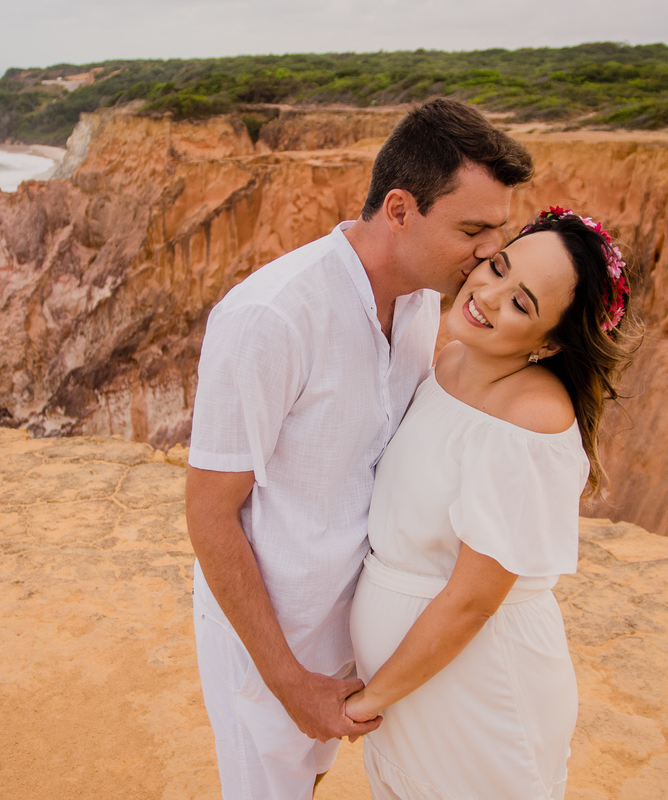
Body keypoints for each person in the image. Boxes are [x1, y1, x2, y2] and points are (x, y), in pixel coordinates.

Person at [184, 98, 534, 799]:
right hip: (273, 643)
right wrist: (287, 681)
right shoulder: (271, 317)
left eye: (499, 231)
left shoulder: (418, 302)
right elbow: (209, 514)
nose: (490, 254)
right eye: (472, 229)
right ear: (400, 209)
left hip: (361, 633)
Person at [343, 206, 637, 800]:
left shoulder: (529, 419)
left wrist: (370, 699)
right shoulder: (451, 361)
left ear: (553, 342)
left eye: (521, 303)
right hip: (413, 685)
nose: (488, 294)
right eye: (498, 268)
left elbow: (473, 600)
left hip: (478, 690)